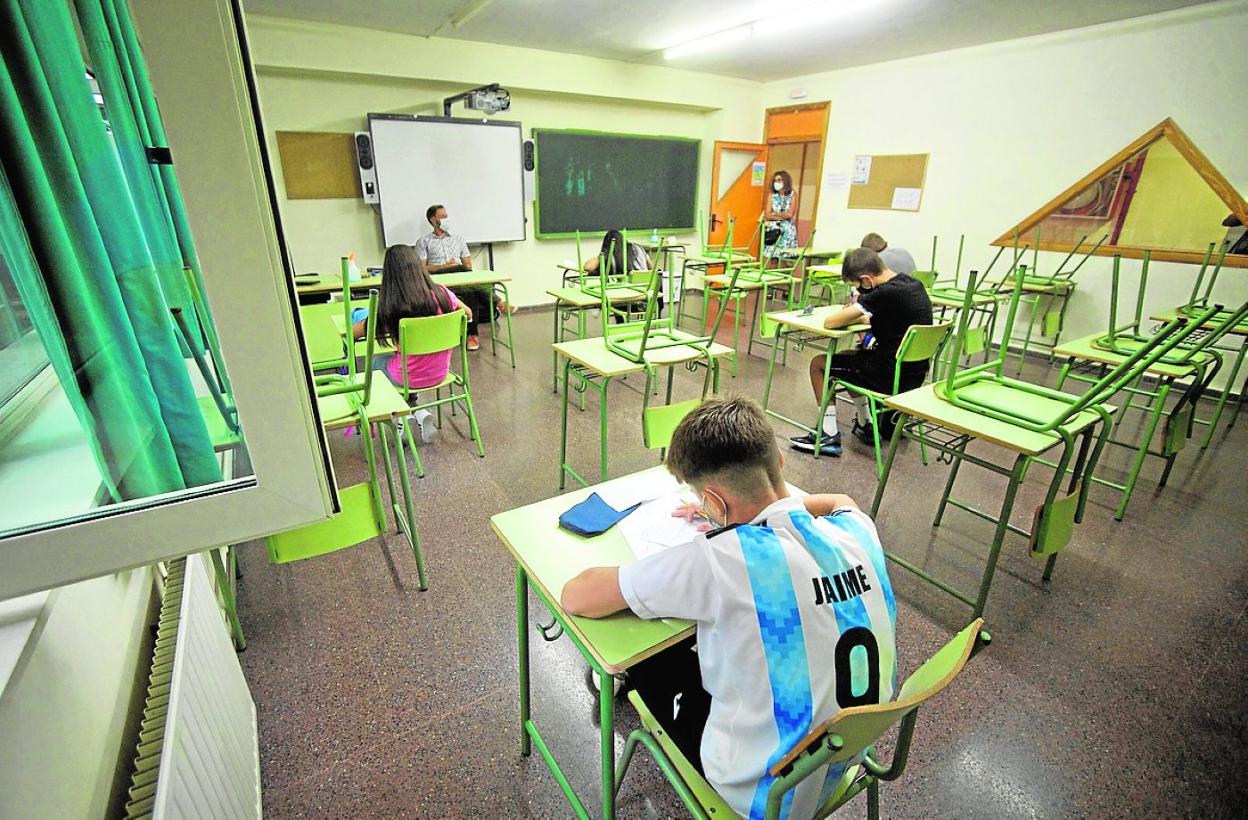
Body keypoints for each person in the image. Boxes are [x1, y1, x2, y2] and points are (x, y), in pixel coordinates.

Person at [561, 397, 897, 819]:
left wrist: (726, 519)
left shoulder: (722, 558)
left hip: (765, 793)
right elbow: (839, 499)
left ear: (714, 504)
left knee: (650, 658)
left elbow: (578, 595)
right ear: (778, 459)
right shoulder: (856, 527)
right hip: (845, 756)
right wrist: (749, 511)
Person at [790, 247, 933, 456]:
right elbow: (880, 317)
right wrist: (861, 316)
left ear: (866, 280)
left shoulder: (883, 293)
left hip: (890, 377)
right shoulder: (912, 284)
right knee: (850, 359)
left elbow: (830, 322)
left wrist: (851, 312)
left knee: (819, 364)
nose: (858, 290)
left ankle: (827, 434)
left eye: (856, 286)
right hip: (914, 376)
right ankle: (866, 423)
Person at [352, 244, 468, 441]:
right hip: (441, 372)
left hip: (407, 378)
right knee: (401, 361)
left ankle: (401, 415)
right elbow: (467, 313)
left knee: (374, 364)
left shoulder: (392, 307)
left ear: (389, 275)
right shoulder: (442, 293)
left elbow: (354, 333)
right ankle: (417, 412)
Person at [416, 204, 509, 351]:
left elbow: (468, 266)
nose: (447, 219)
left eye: (447, 216)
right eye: (443, 217)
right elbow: (422, 269)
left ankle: (472, 336)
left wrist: (457, 268)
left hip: (459, 277)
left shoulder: (458, 239)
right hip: (438, 280)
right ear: (433, 220)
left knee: (470, 291)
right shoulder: (423, 241)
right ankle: (497, 302)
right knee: (461, 269)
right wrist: (444, 266)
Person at [581, 229, 662, 319]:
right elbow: (652, 269)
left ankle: (601, 309)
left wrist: (603, 253)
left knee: (607, 286)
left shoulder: (610, 255)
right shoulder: (638, 248)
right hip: (647, 297)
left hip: (624, 301)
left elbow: (587, 267)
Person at [763, 170, 798, 256]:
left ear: (785, 181)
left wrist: (775, 213)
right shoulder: (772, 195)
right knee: (772, 256)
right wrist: (782, 217)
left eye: (779, 180)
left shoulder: (793, 194)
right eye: (775, 180)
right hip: (774, 230)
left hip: (788, 230)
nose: (776, 183)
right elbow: (767, 214)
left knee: (786, 256)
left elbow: (790, 214)